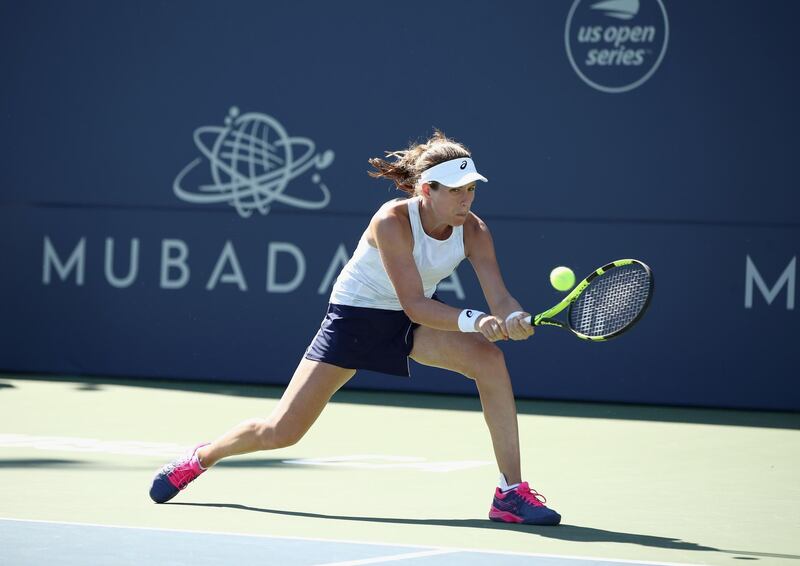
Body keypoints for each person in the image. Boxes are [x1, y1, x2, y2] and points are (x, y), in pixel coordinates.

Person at [149, 131, 561, 526]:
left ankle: (510, 493)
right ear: (426, 191)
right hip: (356, 318)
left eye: (470, 188)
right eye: (455, 190)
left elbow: (499, 298)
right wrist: (475, 321)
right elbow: (414, 303)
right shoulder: (392, 221)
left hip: (412, 322)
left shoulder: (474, 229)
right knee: (282, 431)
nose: (465, 198)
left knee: (489, 360)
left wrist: (512, 317)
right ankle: (203, 457)